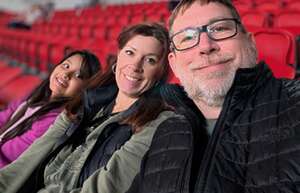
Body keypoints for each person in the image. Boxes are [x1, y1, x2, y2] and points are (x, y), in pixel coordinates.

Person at [126, 0, 300, 193]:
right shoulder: (166, 131)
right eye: (187, 38)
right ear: (174, 65)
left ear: (251, 44)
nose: (205, 46)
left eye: (219, 28)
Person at [0, 22, 190, 193]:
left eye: (150, 60)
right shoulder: (87, 101)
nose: (135, 66)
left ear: (162, 71)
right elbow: (29, 159)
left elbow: (104, 188)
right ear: (118, 56)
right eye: (130, 53)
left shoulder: (157, 123)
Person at [0, 50, 100, 168]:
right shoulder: (39, 94)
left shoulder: (53, 121)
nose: (66, 74)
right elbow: (7, 113)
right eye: (66, 66)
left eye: (78, 76)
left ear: (85, 89)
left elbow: (9, 153)